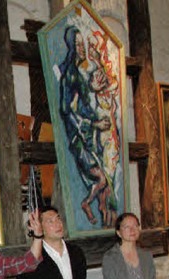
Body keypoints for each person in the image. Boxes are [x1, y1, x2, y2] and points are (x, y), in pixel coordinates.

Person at [59, 26, 111, 226]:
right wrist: (94, 124)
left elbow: (83, 101)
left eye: (83, 44)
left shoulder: (79, 73)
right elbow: (68, 110)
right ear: (72, 46)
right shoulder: (70, 75)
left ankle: (101, 208)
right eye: (78, 44)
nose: (82, 48)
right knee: (101, 179)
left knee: (104, 183)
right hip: (78, 136)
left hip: (87, 135)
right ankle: (86, 203)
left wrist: (93, 88)